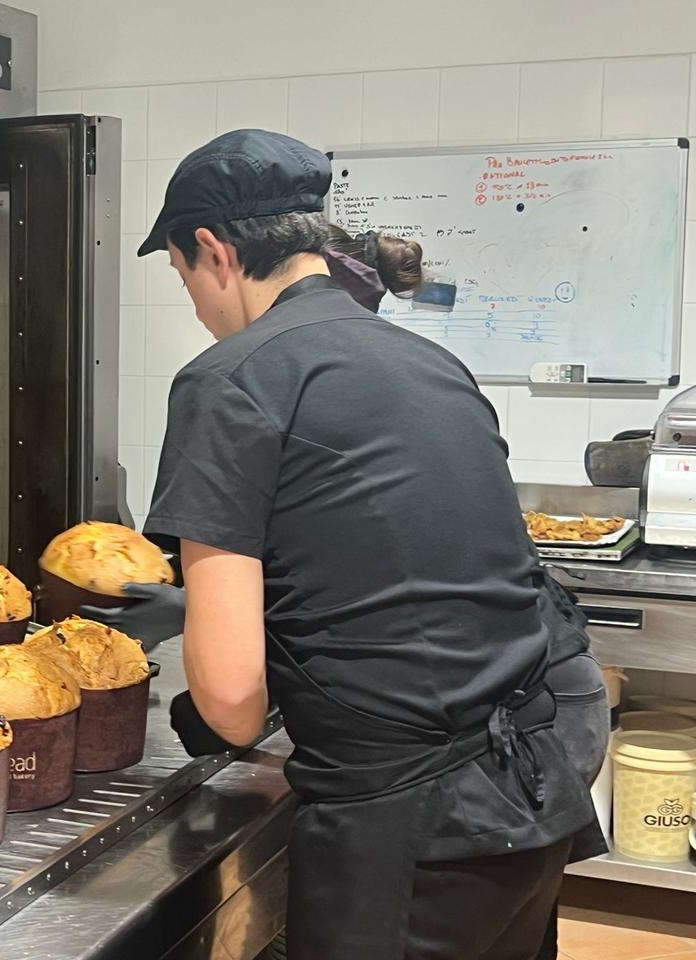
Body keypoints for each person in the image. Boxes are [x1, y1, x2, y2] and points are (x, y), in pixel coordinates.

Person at [103, 129, 604, 959]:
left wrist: (212, 656)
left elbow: (230, 704)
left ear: (212, 250)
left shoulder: (229, 380)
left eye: (181, 274)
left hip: (411, 826)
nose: (192, 301)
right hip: (535, 784)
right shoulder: (428, 361)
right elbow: (407, 562)